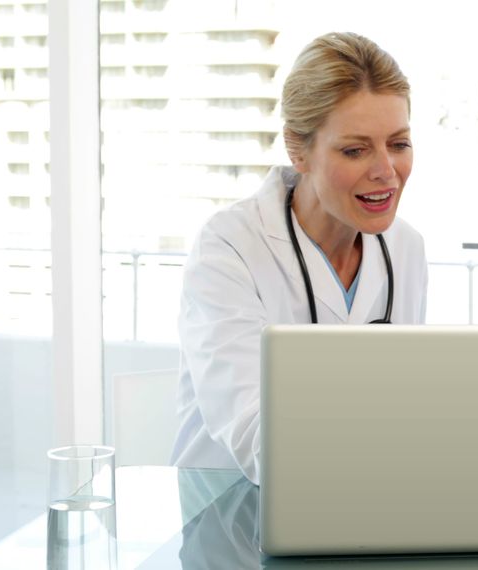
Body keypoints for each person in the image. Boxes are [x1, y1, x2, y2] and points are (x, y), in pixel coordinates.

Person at [171, 32, 427, 484]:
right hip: (229, 514)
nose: (386, 170)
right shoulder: (229, 249)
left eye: (399, 143)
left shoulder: (405, 248)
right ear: (297, 149)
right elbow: (255, 438)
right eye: (355, 149)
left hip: (359, 508)